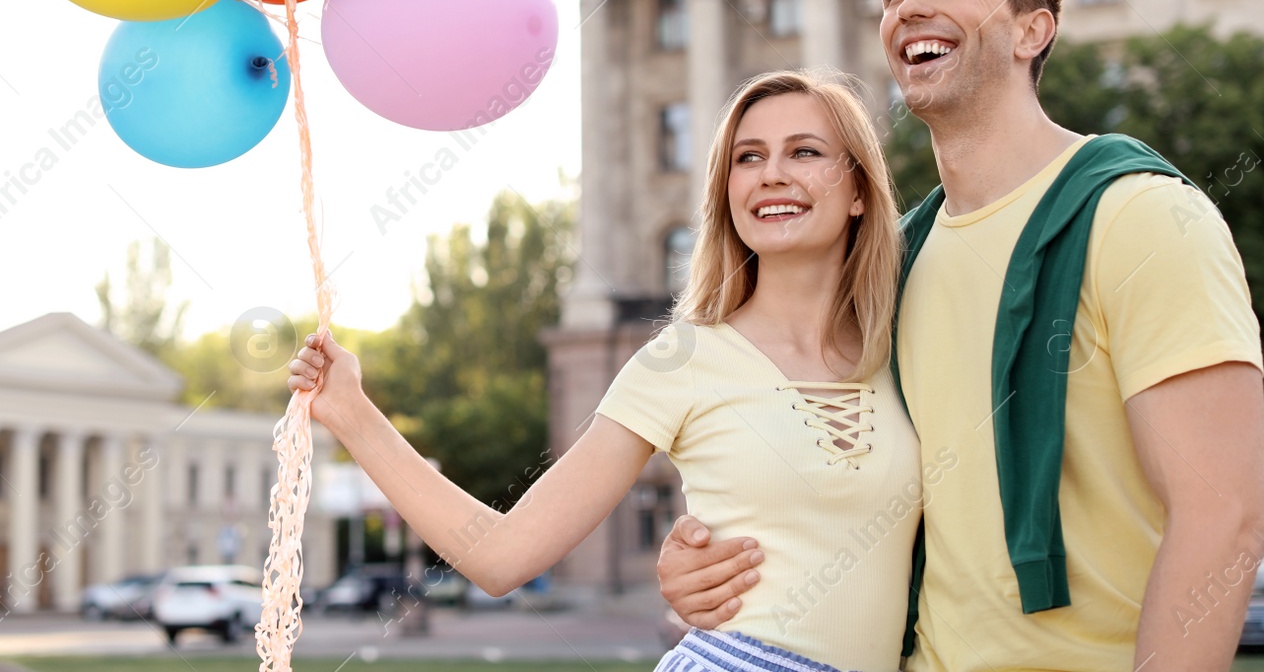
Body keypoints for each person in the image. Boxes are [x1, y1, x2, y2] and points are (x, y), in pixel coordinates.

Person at [657, 0, 1264, 671]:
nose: (912, 5)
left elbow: (1226, 515)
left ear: (1031, 29)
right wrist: (699, 555)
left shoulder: (1141, 217)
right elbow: (827, 481)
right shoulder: (891, 263)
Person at [290, 69, 923, 671]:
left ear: (861, 191)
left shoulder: (907, 345)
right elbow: (502, 556)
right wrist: (352, 412)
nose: (771, 175)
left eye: (805, 152)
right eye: (747, 157)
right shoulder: (683, 363)